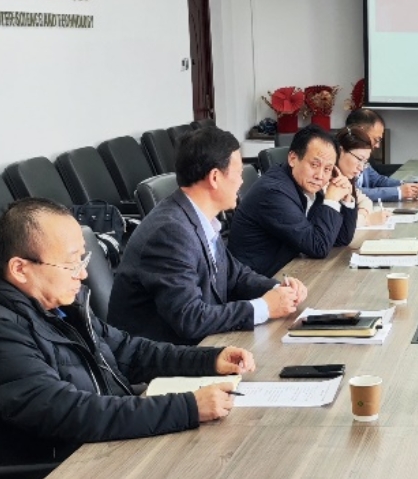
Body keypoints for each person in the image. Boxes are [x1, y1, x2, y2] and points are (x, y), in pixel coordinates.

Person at [0, 197, 254, 466]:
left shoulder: (60, 304)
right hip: (59, 476)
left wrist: (208, 360)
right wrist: (188, 407)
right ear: (20, 269)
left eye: (83, 259)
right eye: (70, 264)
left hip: (104, 447)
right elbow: (73, 414)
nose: (83, 274)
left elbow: (128, 352)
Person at [108, 126, 304, 345]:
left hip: (201, 344)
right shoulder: (170, 232)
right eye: (238, 173)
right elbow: (190, 318)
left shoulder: (198, 217)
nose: (241, 182)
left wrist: (277, 290)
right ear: (215, 177)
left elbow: (234, 275)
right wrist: (264, 307)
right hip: (164, 356)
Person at [228, 124, 359, 276]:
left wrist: (346, 199)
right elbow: (318, 246)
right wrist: (331, 200)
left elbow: (340, 239)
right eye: (314, 165)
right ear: (293, 158)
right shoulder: (273, 192)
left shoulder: (303, 185)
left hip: (286, 273)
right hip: (257, 282)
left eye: (328, 169)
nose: (320, 175)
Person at [344, 107, 418, 202]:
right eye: (376, 140)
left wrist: (411, 186)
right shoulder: (340, 156)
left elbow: (378, 180)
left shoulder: (363, 156)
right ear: (360, 131)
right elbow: (352, 192)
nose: (377, 145)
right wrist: (398, 192)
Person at [332, 125, 391, 227]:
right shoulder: (325, 180)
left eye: (364, 162)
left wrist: (361, 215)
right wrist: (367, 220)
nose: (361, 168)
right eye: (359, 159)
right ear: (340, 151)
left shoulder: (345, 179)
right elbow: (336, 224)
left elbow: (365, 201)